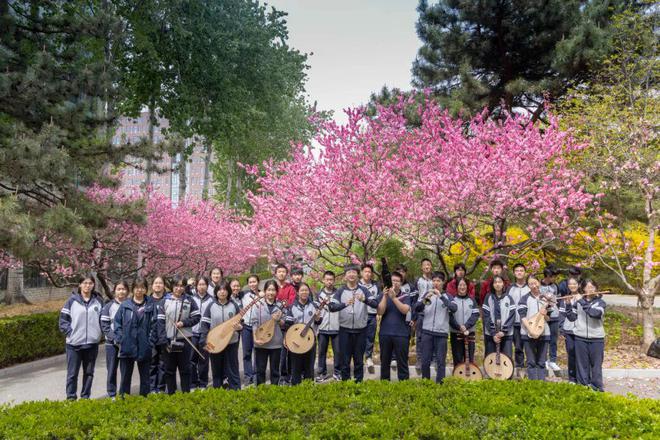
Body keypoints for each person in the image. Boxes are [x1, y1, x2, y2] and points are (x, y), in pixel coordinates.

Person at [328, 264, 379, 382]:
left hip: (361, 331)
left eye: (354, 272)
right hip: (344, 331)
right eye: (348, 272)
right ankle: (345, 385)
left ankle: (358, 385)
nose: (351, 274)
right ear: (345, 276)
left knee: (358, 360)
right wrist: (344, 304)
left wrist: (364, 300)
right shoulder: (341, 290)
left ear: (358, 275)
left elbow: (375, 304)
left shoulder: (364, 290)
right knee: (344, 361)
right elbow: (332, 307)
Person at [59, 275, 104, 400]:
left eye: (90, 283)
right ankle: (71, 398)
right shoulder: (71, 301)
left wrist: (99, 334)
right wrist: (70, 333)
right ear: (79, 285)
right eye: (84, 283)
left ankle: (85, 397)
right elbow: (63, 320)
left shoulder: (98, 301)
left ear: (93, 285)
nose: (87, 285)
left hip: (92, 344)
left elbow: (103, 320)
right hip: (74, 345)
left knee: (89, 373)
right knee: (72, 374)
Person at [154, 276, 200, 394]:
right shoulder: (164, 300)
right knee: (169, 370)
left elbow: (196, 317)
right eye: (176, 286)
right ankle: (172, 395)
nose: (179, 288)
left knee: (185, 369)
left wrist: (184, 323)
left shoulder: (189, 300)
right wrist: (163, 340)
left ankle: (185, 394)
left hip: (185, 340)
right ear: (172, 287)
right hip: (168, 341)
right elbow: (160, 323)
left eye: (181, 286)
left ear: (184, 287)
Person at [114, 278, 157, 396]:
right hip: (127, 346)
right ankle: (124, 401)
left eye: (142, 287)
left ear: (146, 290)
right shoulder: (125, 305)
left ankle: (144, 401)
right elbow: (117, 323)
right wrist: (120, 339)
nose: (139, 290)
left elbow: (155, 325)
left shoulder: (150, 305)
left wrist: (150, 342)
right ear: (132, 289)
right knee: (125, 378)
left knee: (145, 379)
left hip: (145, 346)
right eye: (137, 287)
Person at [415, 272, 456, 383]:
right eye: (434, 280)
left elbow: (453, 308)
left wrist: (441, 296)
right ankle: (426, 384)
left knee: (441, 362)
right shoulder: (427, 295)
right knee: (425, 361)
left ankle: (440, 385)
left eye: (438, 281)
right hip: (427, 332)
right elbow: (417, 308)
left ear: (443, 282)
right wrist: (426, 298)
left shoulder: (447, 296)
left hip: (441, 334)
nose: (436, 283)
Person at [565, 279, 606, 391]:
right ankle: (583, 387)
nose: (589, 289)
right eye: (587, 287)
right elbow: (572, 317)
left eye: (592, 287)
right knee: (582, 365)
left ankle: (596, 387)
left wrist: (581, 302)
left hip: (597, 338)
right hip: (580, 337)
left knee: (596, 365)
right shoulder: (578, 302)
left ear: (596, 289)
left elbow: (594, 314)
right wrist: (568, 305)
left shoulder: (600, 302)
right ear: (583, 289)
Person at [200, 282, 242, 390]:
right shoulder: (211, 305)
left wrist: (239, 327)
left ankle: (236, 390)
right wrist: (205, 341)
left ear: (228, 291)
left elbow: (242, 322)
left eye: (225, 289)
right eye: (219, 290)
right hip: (215, 342)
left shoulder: (234, 305)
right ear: (216, 292)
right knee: (216, 368)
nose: (222, 292)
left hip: (231, 342)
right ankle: (217, 391)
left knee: (232, 368)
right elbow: (204, 325)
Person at [377, 271, 412, 381]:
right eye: (393, 281)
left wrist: (394, 298)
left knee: (402, 363)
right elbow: (380, 312)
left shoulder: (405, 295)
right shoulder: (383, 295)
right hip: (385, 333)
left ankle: (403, 386)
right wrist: (385, 296)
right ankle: (385, 386)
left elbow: (405, 310)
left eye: (397, 281)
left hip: (401, 334)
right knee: (385, 362)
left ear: (401, 283)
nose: (395, 283)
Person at [285, 283, 322, 385]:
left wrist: (318, 319)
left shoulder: (315, 305)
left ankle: (308, 388)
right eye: (302, 290)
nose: (304, 292)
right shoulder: (292, 306)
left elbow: (319, 322)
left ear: (309, 292)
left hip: (310, 340)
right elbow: (288, 324)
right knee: (295, 366)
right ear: (298, 292)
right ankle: (296, 388)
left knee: (309, 366)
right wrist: (287, 339)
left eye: (306, 290)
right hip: (295, 340)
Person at [250, 280, 286, 386]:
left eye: (273, 290)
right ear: (265, 291)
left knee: (275, 371)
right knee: (260, 371)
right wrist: (255, 339)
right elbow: (254, 323)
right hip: (261, 342)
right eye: (269, 290)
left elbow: (284, 324)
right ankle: (261, 393)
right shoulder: (258, 304)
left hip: (276, 343)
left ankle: (274, 392)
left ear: (276, 292)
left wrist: (279, 320)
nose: (271, 292)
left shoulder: (280, 305)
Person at [518, 275, 551, 381]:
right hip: (528, 333)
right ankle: (533, 383)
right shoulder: (524, 298)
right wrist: (531, 330)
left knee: (542, 361)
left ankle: (541, 382)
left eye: (535, 282)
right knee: (531, 361)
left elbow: (549, 318)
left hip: (544, 333)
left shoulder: (546, 298)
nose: (534, 285)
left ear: (539, 283)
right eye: (531, 284)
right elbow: (522, 316)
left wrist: (544, 314)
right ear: (528, 285)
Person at [100, 280, 129, 399]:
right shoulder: (108, 306)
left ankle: (123, 394)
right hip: (111, 344)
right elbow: (105, 325)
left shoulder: (130, 305)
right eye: (119, 289)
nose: (121, 291)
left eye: (123, 289)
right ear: (115, 291)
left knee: (125, 370)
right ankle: (112, 393)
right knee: (112, 369)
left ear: (127, 291)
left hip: (126, 343)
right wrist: (114, 338)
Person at [482, 275, 515, 361]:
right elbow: (486, 316)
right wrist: (493, 333)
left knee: (506, 359)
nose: (497, 284)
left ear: (503, 284)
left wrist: (503, 331)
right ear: (492, 285)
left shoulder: (509, 298)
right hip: (491, 334)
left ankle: (506, 374)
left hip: (506, 334)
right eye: (495, 282)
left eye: (500, 282)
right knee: (491, 359)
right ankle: (491, 374)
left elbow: (512, 316)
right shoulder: (488, 297)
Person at [273, 264, 296, 384]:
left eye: (283, 271)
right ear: (275, 273)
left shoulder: (291, 288)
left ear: (286, 274)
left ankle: (288, 376)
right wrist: (283, 302)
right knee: (278, 351)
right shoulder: (273, 287)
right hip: (274, 324)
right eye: (279, 271)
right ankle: (279, 376)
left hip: (287, 322)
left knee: (288, 350)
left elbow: (291, 302)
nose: (281, 273)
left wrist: (282, 303)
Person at [448, 278, 480, 367]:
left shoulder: (472, 300)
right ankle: (457, 378)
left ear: (467, 286)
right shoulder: (452, 299)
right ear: (457, 287)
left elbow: (475, 314)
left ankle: (469, 378)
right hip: (456, 332)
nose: (462, 287)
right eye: (460, 285)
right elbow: (449, 316)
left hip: (469, 332)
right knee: (457, 358)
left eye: (464, 285)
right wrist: (459, 327)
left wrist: (466, 326)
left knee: (469, 357)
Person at [316, 271, 341, 382]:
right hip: (322, 327)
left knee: (338, 352)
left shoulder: (338, 293)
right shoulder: (318, 294)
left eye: (331, 279)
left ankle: (337, 373)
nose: (329, 282)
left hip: (336, 327)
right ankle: (322, 373)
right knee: (321, 352)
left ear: (334, 280)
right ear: (323, 280)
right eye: (327, 279)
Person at [190, 276, 213, 389]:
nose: (201, 286)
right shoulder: (191, 299)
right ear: (196, 286)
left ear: (207, 286)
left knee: (204, 360)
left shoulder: (212, 300)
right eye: (199, 284)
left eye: (204, 284)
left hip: (206, 334)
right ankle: (193, 382)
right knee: (192, 359)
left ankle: (203, 383)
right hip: (193, 333)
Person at [506, 263, 530, 376]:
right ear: (514, 273)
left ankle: (531, 368)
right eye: (517, 270)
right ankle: (520, 368)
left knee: (530, 346)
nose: (519, 272)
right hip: (515, 323)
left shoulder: (530, 287)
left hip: (529, 323)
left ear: (525, 272)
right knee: (518, 346)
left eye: (521, 270)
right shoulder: (510, 288)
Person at [412, 258, 434, 375]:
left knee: (433, 336)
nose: (427, 266)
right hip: (421, 311)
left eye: (429, 264)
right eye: (425, 264)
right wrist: (413, 316)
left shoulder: (435, 280)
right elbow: (415, 298)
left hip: (432, 311)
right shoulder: (417, 280)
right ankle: (419, 360)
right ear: (421, 267)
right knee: (419, 337)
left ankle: (433, 359)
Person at [359, 263, 382, 374]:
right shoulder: (357, 284)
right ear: (361, 273)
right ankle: (359, 357)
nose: (367, 274)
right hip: (359, 315)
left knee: (370, 337)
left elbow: (378, 300)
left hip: (372, 315)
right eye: (365, 271)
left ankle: (368, 357)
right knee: (359, 337)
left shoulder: (376, 285)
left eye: (369, 272)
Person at [559, 277, 581, 383]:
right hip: (569, 330)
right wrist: (561, 330)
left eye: (575, 283)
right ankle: (572, 378)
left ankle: (582, 377)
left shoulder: (582, 297)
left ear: (579, 284)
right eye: (570, 284)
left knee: (581, 354)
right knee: (571, 354)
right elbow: (562, 315)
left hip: (581, 330)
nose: (572, 286)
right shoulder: (565, 298)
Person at [149, 276, 169, 393]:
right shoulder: (147, 300)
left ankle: (161, 388)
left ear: (164, 285)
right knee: (151, 363)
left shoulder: (168, 300)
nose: (158, 285)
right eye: (155, 283)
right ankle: (152, 388)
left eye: (160, 283)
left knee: (163, 364)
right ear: (152, 285)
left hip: (164, 337)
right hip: (150, 338)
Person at [239, 274, 260, 386]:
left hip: (258, 327)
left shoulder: (262, 294)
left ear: (258, 282)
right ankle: (248, 375)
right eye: (250, 282)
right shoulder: (243, 295)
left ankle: (257, 375)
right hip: (246, 326)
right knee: (247, 352)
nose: (252, 284)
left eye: (254, 282)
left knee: (257, 351)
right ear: (248, 284)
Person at [541, 267, 561, 372]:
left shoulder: (555, 286)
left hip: (554, 316)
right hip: (543, 316)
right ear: (548, 276)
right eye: (554, 276)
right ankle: (543, 360)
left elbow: (558, 299)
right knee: (544, 338)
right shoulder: (538, 285)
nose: (555, 278)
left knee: (553, 339)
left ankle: (552, 360)